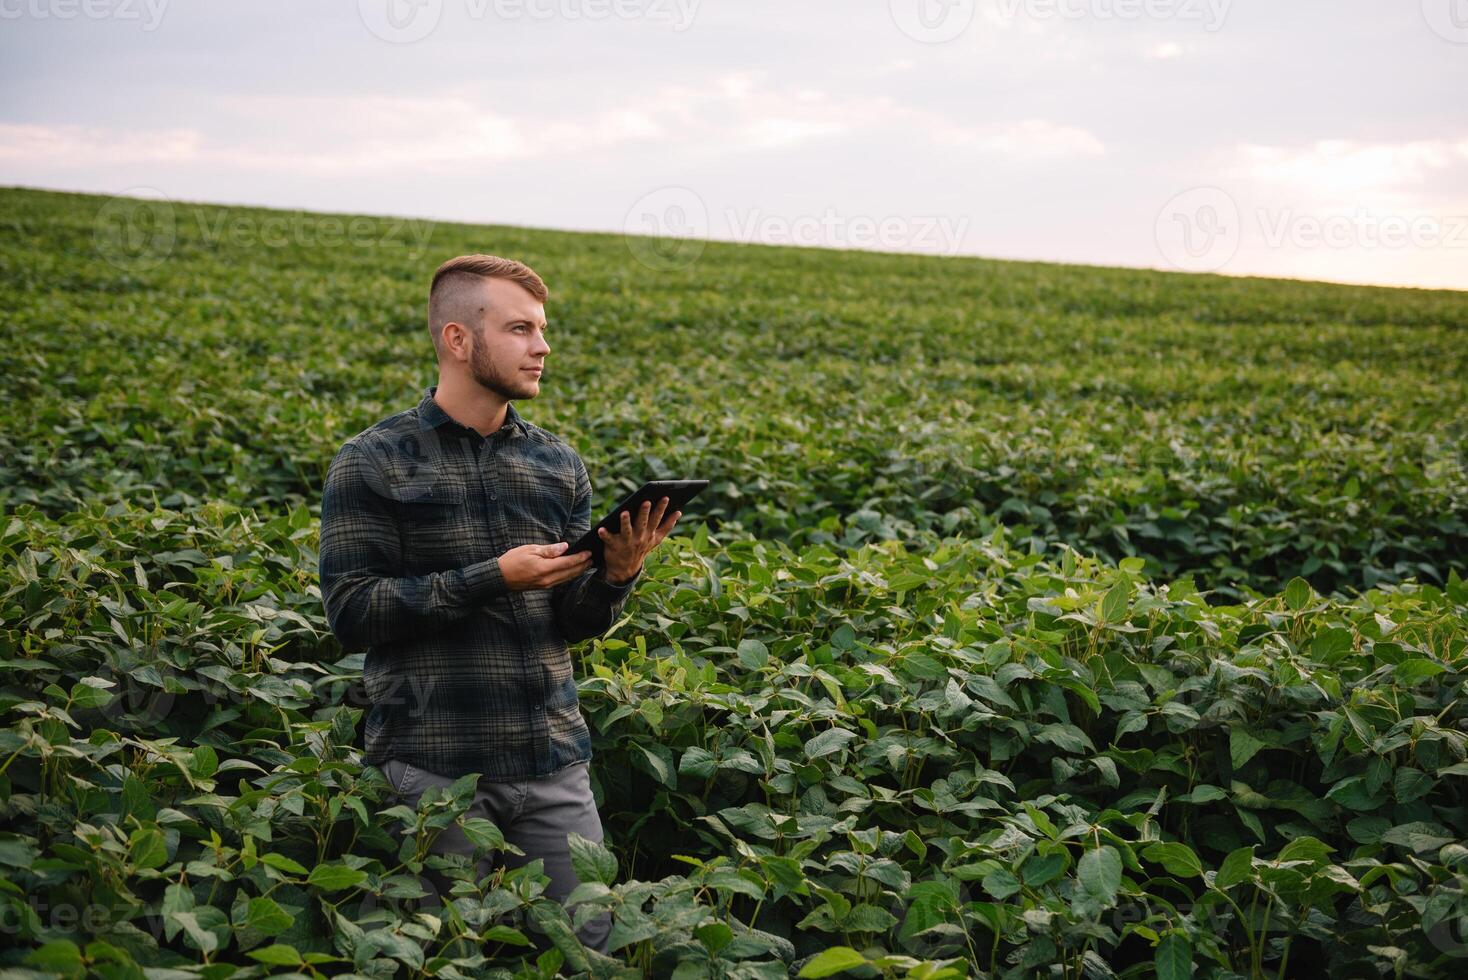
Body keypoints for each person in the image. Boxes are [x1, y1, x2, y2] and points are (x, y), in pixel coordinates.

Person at [317, 254, 680, 954]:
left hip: (554, 762)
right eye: (520, 329)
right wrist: (493, 578)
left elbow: (571, 625)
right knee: (437, 955)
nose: (542, 347)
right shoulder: (373, 460)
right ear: (458, 340)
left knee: (587, 952)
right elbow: (352, 613)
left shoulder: (558, 465)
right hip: (433, 770)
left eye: (542, 330)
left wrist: (616, 574)